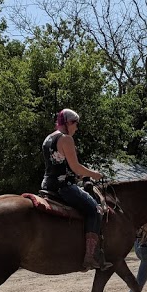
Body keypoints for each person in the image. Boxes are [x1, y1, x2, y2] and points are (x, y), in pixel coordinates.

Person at [41, 108, 110, 270]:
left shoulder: (48, 138)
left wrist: (76, 175)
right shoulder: (66, 139)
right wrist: (95, 174)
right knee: (95, 210)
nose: (77, 128)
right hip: (64, 187)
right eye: (76, 124)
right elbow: (76, 167)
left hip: (47, 185)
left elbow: (60, 165)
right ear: (69, 123)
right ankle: (90, 257)